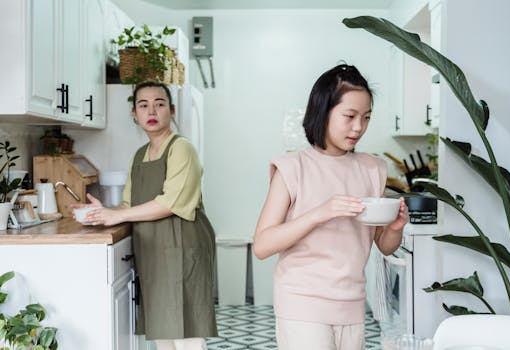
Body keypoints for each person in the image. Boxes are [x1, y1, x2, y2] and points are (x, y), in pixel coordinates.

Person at [253, 64, 408, 350]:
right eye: (349, 116)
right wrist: (320, 213)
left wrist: (395, 229)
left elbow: (383, 245)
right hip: (301, 303)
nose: (358, 127)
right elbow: (262, 245)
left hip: (352, 304)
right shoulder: (292, 167)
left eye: (366, 117)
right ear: (323, 111)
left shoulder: (373, 169)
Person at [74, 81, 217, 350]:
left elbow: (169, 203)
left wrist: (115, 217)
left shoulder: (181, 148)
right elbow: (129, 204)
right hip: (154, 250)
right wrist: (99, 211)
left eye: (160, 104)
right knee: (163, 328)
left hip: (183, 249)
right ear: (134, 114)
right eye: (143, 105)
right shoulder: (139, 155)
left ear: (171, 110)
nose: (152, 110)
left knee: (187, 334)